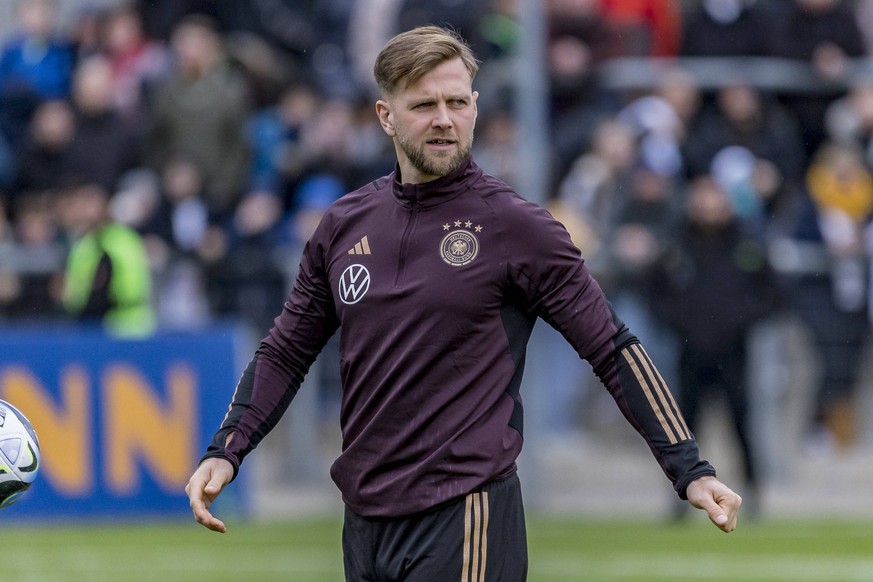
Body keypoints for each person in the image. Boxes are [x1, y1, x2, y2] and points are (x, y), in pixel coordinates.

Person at [186, 26, 741, 580]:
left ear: (475, 107)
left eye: (457, 102)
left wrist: (688, 466)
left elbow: (613, 348)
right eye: (424, 104)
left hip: (466, 509)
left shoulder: (517, 227)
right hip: (365, 521)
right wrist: (226, 448)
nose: (444, 119)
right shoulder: (343, 225)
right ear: (386, 116)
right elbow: (285, 351)